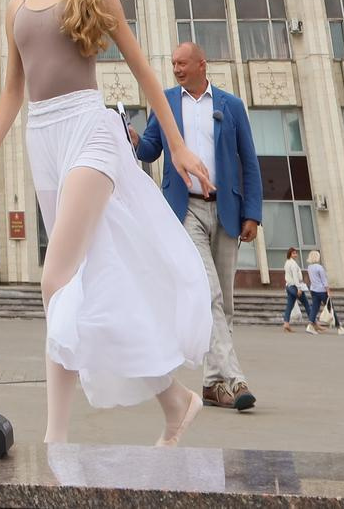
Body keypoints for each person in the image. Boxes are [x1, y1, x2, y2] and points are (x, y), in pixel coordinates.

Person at [0, 0, 212, 446]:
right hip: (41, 138)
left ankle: (55, 437)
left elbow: (144, 71)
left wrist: (179, 147)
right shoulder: (17, 9)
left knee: (56, 279)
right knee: (81, 284)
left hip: (88, 129)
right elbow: (12, 91)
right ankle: (174, 400)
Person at [130, 41, 261, 412]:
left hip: (227, 210)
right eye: (172, 63)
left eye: (182, 63)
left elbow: (248, 161)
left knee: (225, 303)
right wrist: (132, 136)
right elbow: (150, 150)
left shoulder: (230, 106)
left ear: (202, 64)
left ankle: (212, 384)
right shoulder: (167, 102)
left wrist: (252, 212)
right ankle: (234, 379)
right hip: (185, 209)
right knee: (208, 295)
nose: (176, 69)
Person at [277, 246, 310, 333]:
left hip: (288, 286)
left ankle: (286, 323)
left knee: (290, 305)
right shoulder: (293, 264)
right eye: (294, 253)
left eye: (296, 253)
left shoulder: (287, 263)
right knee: (306, 304)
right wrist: (299, 288)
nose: (296, 254)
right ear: (290, 254)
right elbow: (295, 277)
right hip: (294, 287)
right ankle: (313, 323)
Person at [305, 250, 338, 334]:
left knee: (315, 308)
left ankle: (310, 326)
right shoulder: (319, 267)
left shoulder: (309, 267)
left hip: (313, 290)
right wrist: (328, 291)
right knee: (330, 307)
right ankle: (339, 326)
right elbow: (324, 281)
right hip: (322, 290)